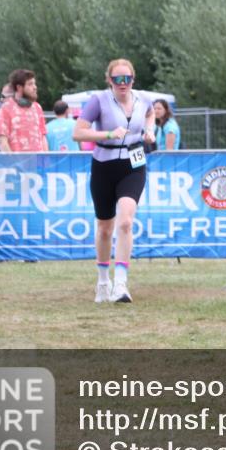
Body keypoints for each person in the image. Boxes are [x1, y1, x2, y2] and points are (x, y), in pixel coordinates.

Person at [72, 59, 155, 304]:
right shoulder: (98, 101)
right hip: (104, 165)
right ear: (109, 80)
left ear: (133, 79)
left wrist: (150, 131)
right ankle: (102, 281)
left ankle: (121, 283)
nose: (123, 83)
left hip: (133, 163)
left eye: (127, 78)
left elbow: (150, 113)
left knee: (126, 221)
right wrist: (108, 133)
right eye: (117, 79)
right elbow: (78, 132)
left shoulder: (143, 99)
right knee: (105, 228)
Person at [0, 69, 47, 152]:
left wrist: (45, 161)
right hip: (17, 163)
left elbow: (43, 137)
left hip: (38, 163)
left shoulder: (37, 107)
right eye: (30, 84)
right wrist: (13, 162)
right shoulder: (6, 108)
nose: (35, 87)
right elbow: (2, 141)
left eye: (34, 84)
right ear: (19, 87)